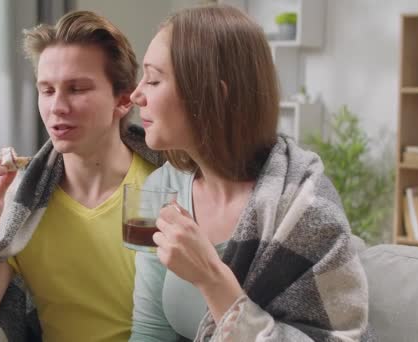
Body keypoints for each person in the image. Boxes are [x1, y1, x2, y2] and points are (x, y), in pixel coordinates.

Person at [0, 11, 161, 341]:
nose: (57, 106)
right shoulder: (21, 206)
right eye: (47, 90)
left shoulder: (168, 185)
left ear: (123, 100)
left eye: (77, 88)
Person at [129, 5, 371, 341]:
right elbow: (150, 333)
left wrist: (213, 280)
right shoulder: (163, 188)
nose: (136, 94)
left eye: (153, 79)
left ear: (214, 94)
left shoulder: (307, 209)